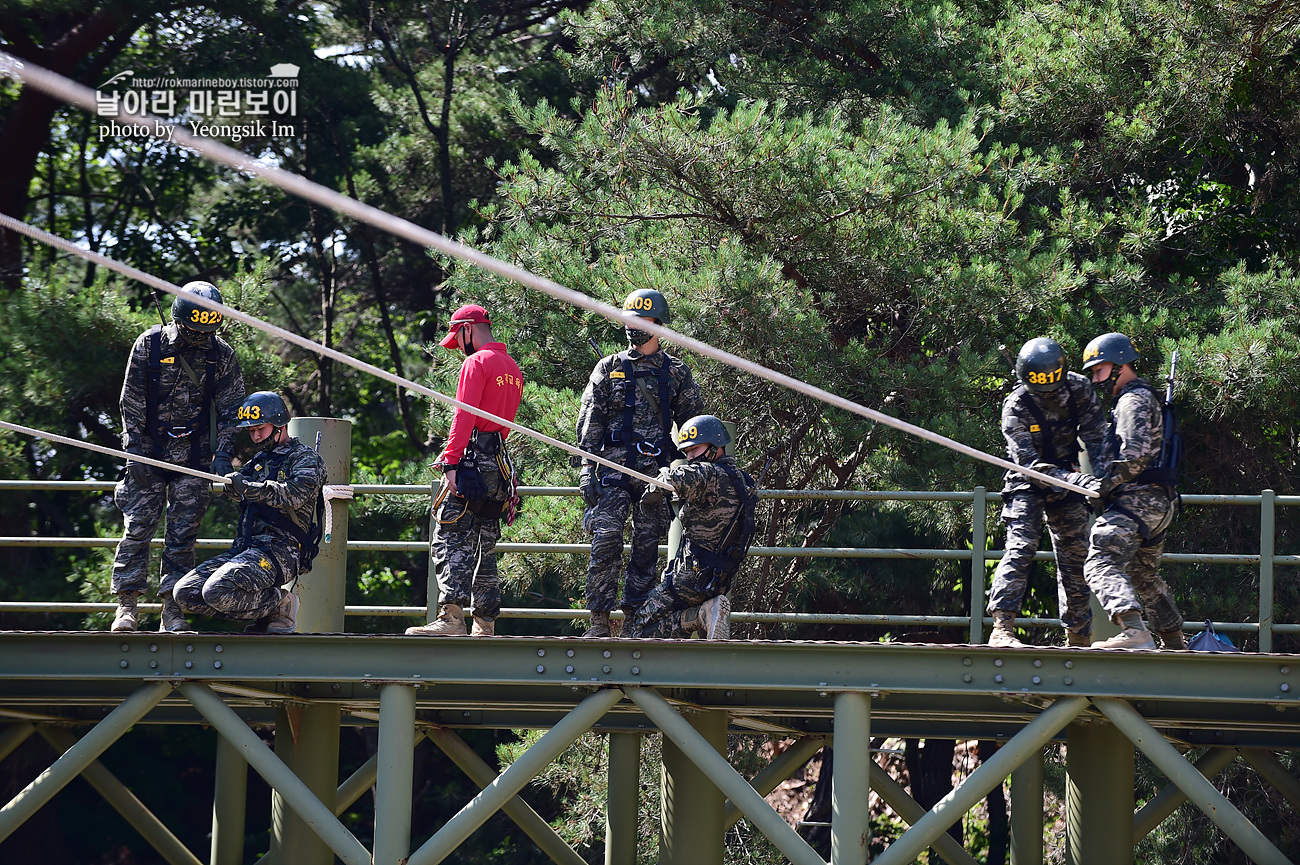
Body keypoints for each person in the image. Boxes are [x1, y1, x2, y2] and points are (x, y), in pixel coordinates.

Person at [110, 281, 245, 632]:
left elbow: (233, 410)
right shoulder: (150, 345)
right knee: (137, 528)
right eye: (192, 331)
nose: (199, 339)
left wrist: (223, 454)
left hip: (195, 459)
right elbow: (132, 401)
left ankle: (172, 608)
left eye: (206, 332)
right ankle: (127, 606)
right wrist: (134, 453)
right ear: (178, 319)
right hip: (150, 454)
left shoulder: (222, 355)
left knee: (183, 535)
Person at [575, 289, 705, 637]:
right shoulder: (609, 367)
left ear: (658, 325)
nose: (633, 328)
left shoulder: (677, 373)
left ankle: (635, 620)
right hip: (613, 471)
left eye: (641, 321)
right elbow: (591, 423)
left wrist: (688, 473)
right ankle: (599, 621)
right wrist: (587, 470)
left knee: (647, 548)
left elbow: (694, 429)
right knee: (605, 541)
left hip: (655, 473)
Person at [1054, 333, 1185, 650]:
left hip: (1136, 503)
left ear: (1120, 365)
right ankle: (1174, 641)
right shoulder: (1144, 398)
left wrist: (1099, 486)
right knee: (1144, 574)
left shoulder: (1132, 400)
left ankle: (1134, 634)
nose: (1096, 379)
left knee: (1099, 562)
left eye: (1099, 370)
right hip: (1158, 504)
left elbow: (1134, 456)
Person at [406, 304, 523, 637]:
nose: (458, 349)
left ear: (468, 329)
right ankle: (484, 623)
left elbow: (464, 415)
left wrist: (451, 460)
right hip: (498, 463)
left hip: (471, 460)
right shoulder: (512, 367)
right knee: (485, 541)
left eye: (458, 339)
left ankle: (451, 618)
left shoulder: (477, 362)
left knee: (449, 533)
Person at [171, 391, 327, 633]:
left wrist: (251, 488)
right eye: (251, 431)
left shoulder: (306, 459)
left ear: (279, 425)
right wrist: (230, 481)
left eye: (260, 429)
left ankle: (280, 603)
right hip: (247, 549)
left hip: (281, 551)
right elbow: (241, 490)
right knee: (185, 593)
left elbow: (294, 495)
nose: (255, 436)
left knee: (216, 590)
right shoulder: (259, 461)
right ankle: (268, 610)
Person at [986, 337, 1106, 648]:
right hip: (1028, 481)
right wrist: (1076, 481)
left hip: (1070, 482)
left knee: (1076, 555)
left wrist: (1106, 482)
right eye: (1042, 389)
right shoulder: (1014, 406)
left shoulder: (1079, 389)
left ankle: (1078, 637)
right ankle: (1002, 629)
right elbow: (1027, 463)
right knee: (1021, 546)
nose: (1049, 394)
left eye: (1054, 386)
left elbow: (1096, 438)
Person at [624, 416, 756, 640]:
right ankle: (701, 614)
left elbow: (674, 477)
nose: (690, 457)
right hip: (720, 581)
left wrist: (656, 486)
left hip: (689, 580)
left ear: (716, 446)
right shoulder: (744, 481)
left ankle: (698, 616)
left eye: (695, 449)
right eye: (686, 452)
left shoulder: (707, 474)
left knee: (638, 628)